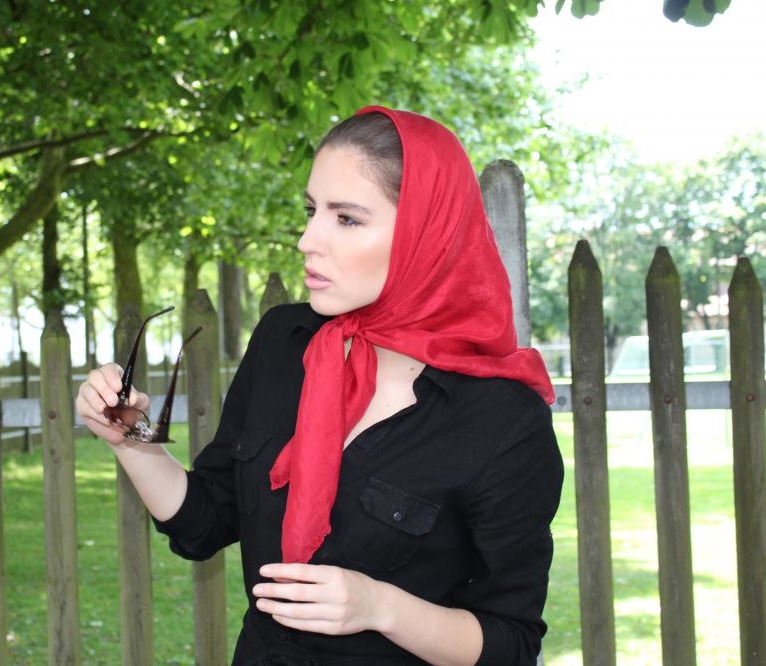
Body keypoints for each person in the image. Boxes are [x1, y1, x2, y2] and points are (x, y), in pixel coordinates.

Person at [76, 105, 563, 665]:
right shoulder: (284, 342)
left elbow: (511, 642)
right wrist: (129, 438)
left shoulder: (501, 417)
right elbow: (207, 520)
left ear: (425, 233)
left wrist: (380, 607)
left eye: (346, 218)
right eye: (311, 211)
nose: (308, 240)